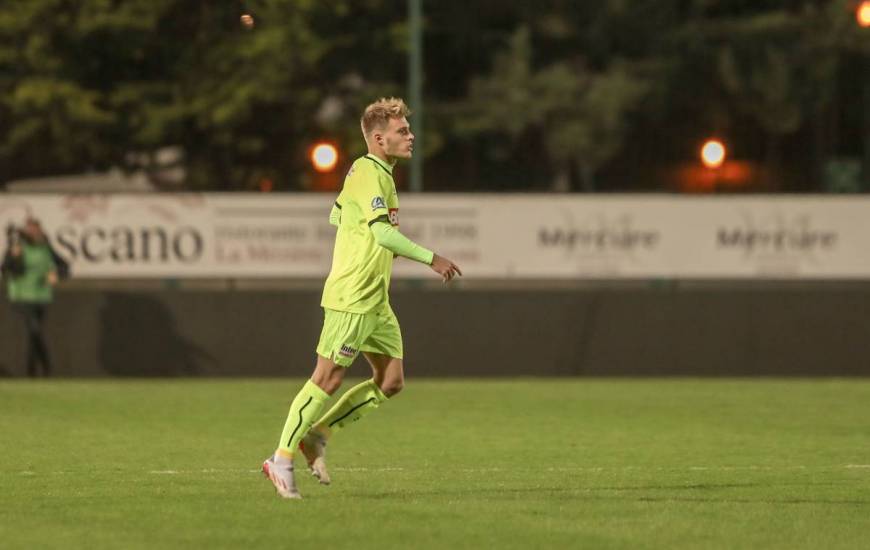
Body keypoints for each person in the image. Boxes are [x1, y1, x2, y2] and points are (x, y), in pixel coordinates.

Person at [262, 97, 462, 499]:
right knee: (328, 377)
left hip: (375, 298)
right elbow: (382, 234)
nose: (411, 136)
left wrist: (352, 231)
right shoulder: (372, 174)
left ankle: (317, 435)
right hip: (353, 295)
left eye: (408, 129)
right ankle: (280, 458)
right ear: (378, 138)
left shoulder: (370, 171)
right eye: (402, 131)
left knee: (391, 381)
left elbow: (337, 214)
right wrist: (431, 258)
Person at [1, 217, 69, 377]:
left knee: (34, 334)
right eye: (30, 229)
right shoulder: (17, 246)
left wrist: (55, 275)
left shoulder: (45, 247)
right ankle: (46, 366)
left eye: (35, 229)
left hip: (41, 296)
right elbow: (7, 270)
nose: (33, 232)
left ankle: (32, 372)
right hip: (22, 295)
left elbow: (64, 266)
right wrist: (16, 257)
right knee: (34, 329)